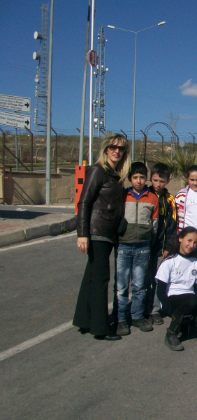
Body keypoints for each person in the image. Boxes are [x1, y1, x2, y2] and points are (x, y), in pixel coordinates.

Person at [74, 134, 131, 341]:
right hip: (98, 232)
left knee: (91, 276)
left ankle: (84, 320)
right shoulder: (97, 170)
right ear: (106, 149)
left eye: (121, 148)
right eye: (113, 147)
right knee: (100, 279)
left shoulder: (114, 174)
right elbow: (84, 203)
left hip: (108, 232)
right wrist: (83, 234)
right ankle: (100, 327)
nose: (117, 151)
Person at [114, 161, 159, 336]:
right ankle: (121, 319)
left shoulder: (152, 198)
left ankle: (138, 315)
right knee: (121, 285)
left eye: (142, 177)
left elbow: (154, 225)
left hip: (143, 247)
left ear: (146, 178)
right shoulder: (123, 196)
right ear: (129, 178)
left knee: (140, 285)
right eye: (135, 177)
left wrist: (150, 241)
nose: (139, 181)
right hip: (123, 246)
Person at [145, 162, 177, 325]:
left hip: (161, 249)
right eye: (156, 180)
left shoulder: (169, 200)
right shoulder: (144, 195)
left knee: (158, 281)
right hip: (143, 247)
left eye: (162, 181)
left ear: (167, 181)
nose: (158, 184)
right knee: (143, 279)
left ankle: (155, 310)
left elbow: (172, 226)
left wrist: (168, 248)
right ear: (151, 178)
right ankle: (142, 309)